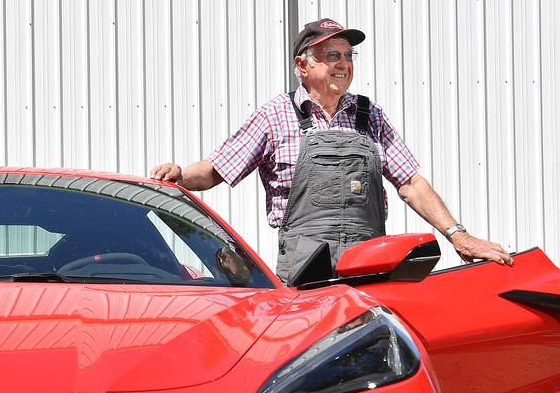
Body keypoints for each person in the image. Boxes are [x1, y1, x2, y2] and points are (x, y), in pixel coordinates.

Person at [149, 18, 511, 282]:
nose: (343, 64)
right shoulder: (276, 115)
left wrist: (458, 235)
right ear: (302, 66)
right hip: (307, 275)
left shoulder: (369, 115)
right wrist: (180, 175)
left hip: (370, 270)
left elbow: (411, 183)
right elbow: (215, 171)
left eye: (348, 55)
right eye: (331, 55)